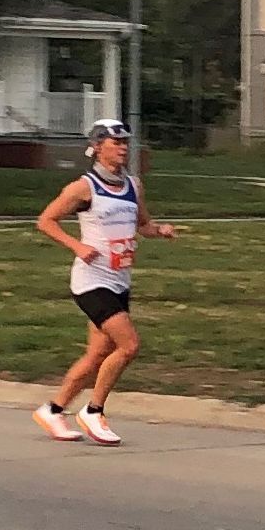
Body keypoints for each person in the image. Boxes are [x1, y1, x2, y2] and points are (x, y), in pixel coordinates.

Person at [33, 119, 175, 445]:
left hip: (119, 280)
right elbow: (46, 221)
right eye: (116, 142)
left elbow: (143, 224)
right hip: (91, 281)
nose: (123, 148)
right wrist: (78, 247)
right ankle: (93, 411)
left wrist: (159, 230)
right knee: (129, 345)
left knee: (98, 355)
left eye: (125, 142)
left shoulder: (133, 185)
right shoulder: (83, 187)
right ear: (98, 147)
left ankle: (53, 411)